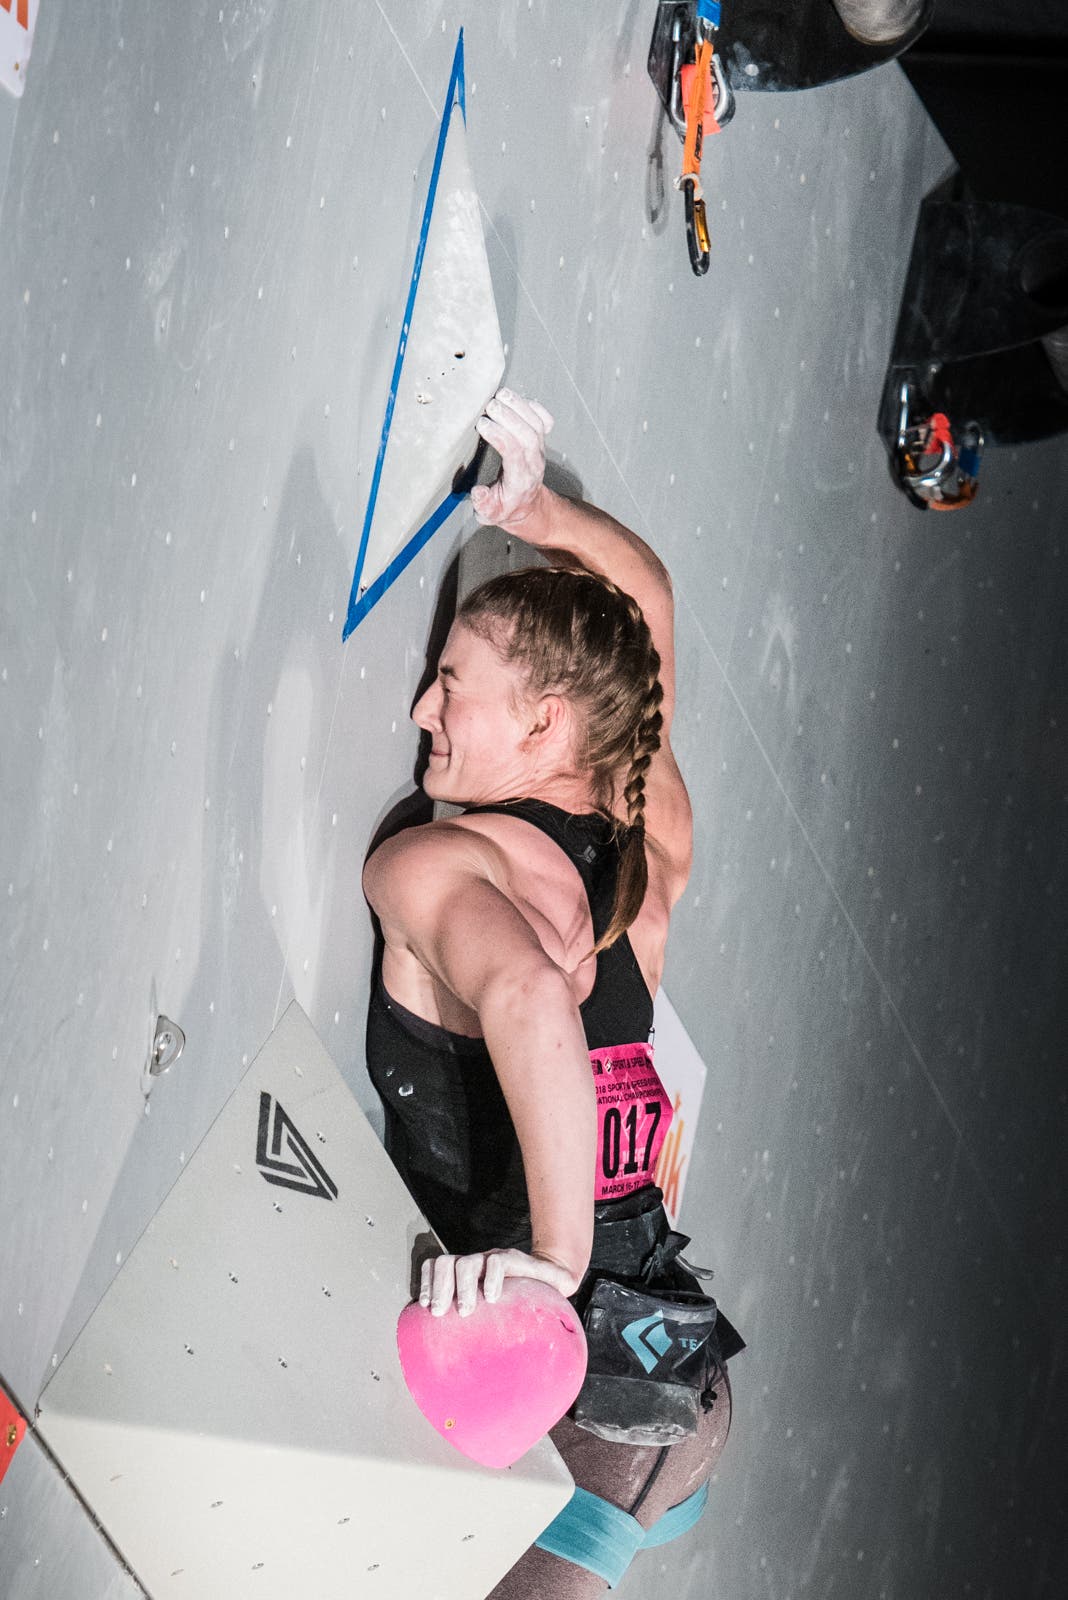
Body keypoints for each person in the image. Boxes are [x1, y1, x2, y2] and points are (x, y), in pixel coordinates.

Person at [363, 389, 737, 1597]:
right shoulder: (641, 851)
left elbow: (525, 993)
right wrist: (539, 513)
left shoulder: (436, 866)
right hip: (682, 1388)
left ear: (546, 718)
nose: (425, 706)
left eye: (450, 679)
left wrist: (555, 1263)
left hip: (570, 1408)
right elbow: (655, 610)